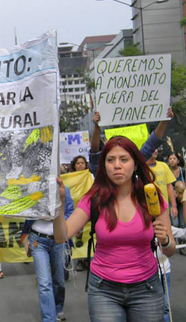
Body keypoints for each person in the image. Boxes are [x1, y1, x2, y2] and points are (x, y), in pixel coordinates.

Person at [54, 136, 176, 322]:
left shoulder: (150, 197)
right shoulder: (94, 197)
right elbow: (61, 236)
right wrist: (59, 203)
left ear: (135, 164)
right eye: (110, 160)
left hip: (147, 289)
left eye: (124, 159)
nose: (117, 165)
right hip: (104, 290)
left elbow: (170, 250)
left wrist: (165, 240)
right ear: (104, 166)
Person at [22, 186, 74, 322]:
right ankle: (48, 318)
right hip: (37, 240)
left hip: (58, 241)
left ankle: (58, 308)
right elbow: (25, 210)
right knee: (44, 282)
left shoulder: (63, 190)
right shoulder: (33, 188)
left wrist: (57, 216)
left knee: (59, 280)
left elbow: (70, 212)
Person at [147, 149, 178, 224]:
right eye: (152, 148)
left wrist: (173, 206)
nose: (156, 150)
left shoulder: (164, 166)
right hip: (147, 212)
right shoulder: (141, 167)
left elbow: (169, 186)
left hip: (164, 210)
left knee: (166, 233)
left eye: (156, 148)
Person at [167, 152, 185, 227]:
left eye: (174, 158)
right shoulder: (167, 171)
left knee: (183, 222)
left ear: (178, 161)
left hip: (181, 198)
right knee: (175, 223)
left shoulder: (182, 171)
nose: (172, 160)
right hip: (171, 198)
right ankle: (174, 238)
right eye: (170, 159)